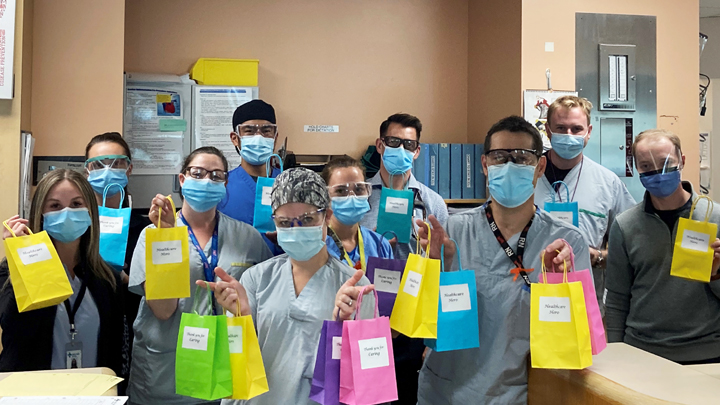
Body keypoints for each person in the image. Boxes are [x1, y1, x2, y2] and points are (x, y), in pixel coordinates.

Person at [415, 116, 591, 404]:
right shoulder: (450, 234)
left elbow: (574, 341)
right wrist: (434, 266)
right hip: (445, 392)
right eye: (500, 157)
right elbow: (421, 324)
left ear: (540, 166)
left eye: (522, 158)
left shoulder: (566, 244)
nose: (510, 165)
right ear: (484, 165)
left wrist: (560, 282)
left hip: (515, 395)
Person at [205, 167, 375, 405]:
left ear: (326, 216)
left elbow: (366, 375)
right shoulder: (256, 279)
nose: (296, 229)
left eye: (307, 220)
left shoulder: (354, 288)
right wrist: (239, 316)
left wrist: (347, 326)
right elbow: (236, 367)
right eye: (285, 223)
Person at [127, 147, 273, 405]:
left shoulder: (248, 237)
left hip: (227, 370)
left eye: (217, 176)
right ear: (182, 180)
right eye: (198, 173)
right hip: (166, 374)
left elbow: (261, 304)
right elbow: (162, 310)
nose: (207, 180)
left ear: (226, 184)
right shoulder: (154, 234)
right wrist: (166, 238)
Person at [605, 129, 720, 365]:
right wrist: (616, 355)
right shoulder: (625, 225)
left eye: (667, 163)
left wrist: (716, 274)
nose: (657, 172)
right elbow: (617, 299)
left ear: (683, 161)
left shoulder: (715, 218)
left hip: (707, 353)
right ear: (636, 168)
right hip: (642, 353)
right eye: (646, 166)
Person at [359, 113, 447, 404]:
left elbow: (441, 268)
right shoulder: (361, 197)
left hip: (412, 318)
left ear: (418, 151)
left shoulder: (432, 202)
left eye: (409, 144)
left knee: (408, 392)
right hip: (369, 312)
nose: (402, 149)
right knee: (368, 393)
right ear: (380, 145)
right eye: (394, 142)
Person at [0, 169, 124, 376]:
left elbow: (115, 347)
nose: (66, 213)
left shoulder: (106, 277)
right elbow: (15, 333)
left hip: (92, 393)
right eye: (55, 206)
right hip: (32, 393)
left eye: (76, 204)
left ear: (90, 212)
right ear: (41, 212)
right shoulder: (9, 273)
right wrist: (22, 263)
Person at [534, 96, 635, 313]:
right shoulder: (526, 177)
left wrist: (599, 257)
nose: (568, 135)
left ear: (588, 132)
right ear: (548, 131)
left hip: (583, 300)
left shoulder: (608, 183)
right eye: (560, 128)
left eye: (576, 129)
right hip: (528, 293)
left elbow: (633, 245)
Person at [84, 132, 151, 381]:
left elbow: (157, 292)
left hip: (131, 337)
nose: (107, 170)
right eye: (98, 164)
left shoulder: (145, 230)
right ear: (87, 171)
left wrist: (125, 278)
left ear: (129, 168)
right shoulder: (73, 226)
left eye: (116, 163)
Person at [218, 99, 282, 255]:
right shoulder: (221, 187)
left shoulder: (289, 185)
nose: (258, 136)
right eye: (249, 130)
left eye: (266, 130)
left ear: (275, 137)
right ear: (235, 138)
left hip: (284, 275)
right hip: (235, 276)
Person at [321, 156, 394, 268]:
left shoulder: (380, 245)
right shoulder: (316, 248)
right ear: (325, 196)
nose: (352, 197)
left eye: (359, 189)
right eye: (340, 191)